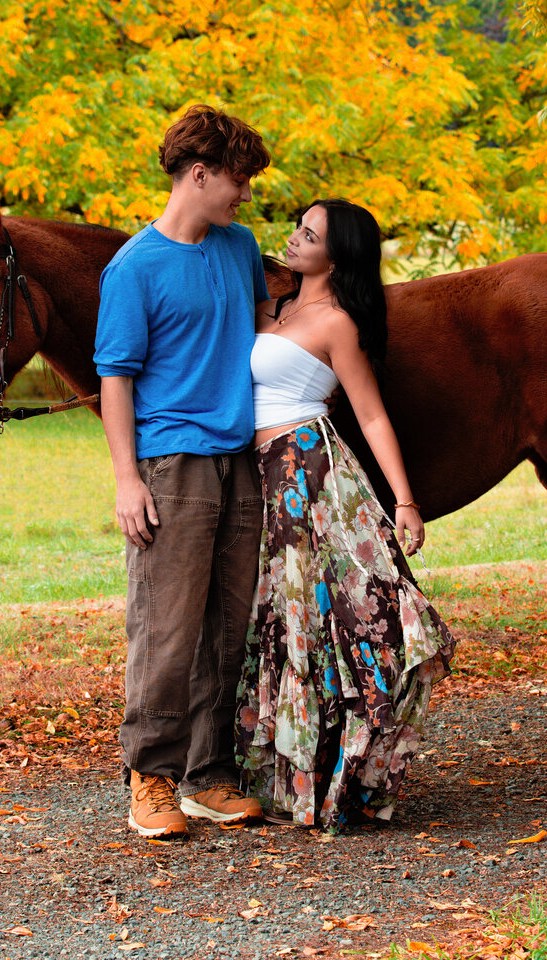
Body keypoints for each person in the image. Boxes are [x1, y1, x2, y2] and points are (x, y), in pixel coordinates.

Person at [235, 199, 457, 832]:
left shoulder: (337, 323)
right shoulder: (272, 308)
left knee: (334, 616)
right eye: (299, 228)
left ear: (337, 257)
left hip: (310, 473)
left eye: (310, 235)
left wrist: (405, 501)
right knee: (285, 619)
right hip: (265, 476)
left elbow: (372, 414)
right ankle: (291, 782)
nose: (294, 239)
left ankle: (344, 774)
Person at [94, 105, 272, 838]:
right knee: (166, 631)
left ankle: (208, 774)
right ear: (199, 174)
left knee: (230, 629)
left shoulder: (240, 246)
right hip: (172, 466)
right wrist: (127, 480)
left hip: (241, 462)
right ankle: (151, 775)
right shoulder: (134, 268)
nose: (245, 195)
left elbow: (262, 331)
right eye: (238, 181)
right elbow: (115, 377)